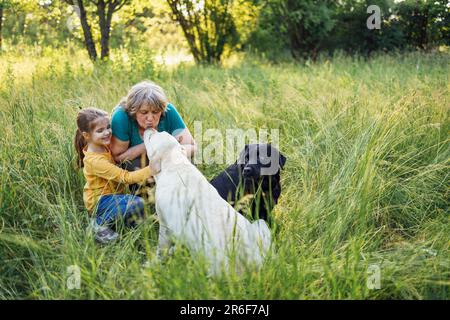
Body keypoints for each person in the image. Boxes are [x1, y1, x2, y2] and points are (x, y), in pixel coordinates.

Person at [74, 107, 158, 244]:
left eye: (108, 127)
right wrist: (152, 168)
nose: (107, 132)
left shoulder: (104, 146)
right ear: (86, 135)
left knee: (141, 214)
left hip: (114, 196)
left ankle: (123, 229)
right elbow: (126, 178)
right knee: (137, 203)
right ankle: (98, 224)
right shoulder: (95, 161)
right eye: (100, 130)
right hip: (100, 201)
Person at [110, 81, 197, 176]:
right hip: (137, 167)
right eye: (144, 112)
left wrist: (172, 153)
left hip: (167, 159)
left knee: (186, 161)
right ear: (133, 111)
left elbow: (192, 146)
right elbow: (118, 158)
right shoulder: (121, 117)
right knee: (132, 165)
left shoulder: (168, 111)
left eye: (155, 112)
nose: (150, 118)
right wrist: (151, 144)